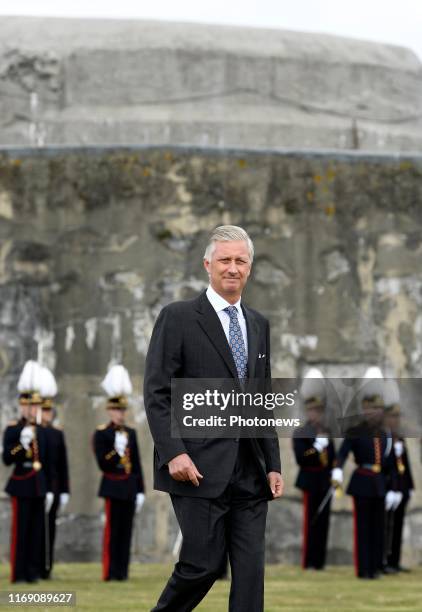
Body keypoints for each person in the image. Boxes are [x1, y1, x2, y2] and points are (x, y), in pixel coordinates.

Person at [144, 225, 283, 612]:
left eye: (241, 260)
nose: (232, 268)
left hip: (250, 471)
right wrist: (174, 452)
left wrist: (272, 463)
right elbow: (157, 392)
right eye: (225, 259)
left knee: (251, 573)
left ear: (250, 267)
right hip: (197, 467)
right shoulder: (178, 318)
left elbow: (261, 398)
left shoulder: (258, 324)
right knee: (202, 566)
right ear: (208, 264)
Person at [332, 368, 395, 579]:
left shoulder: (386, 434)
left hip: (380, 484)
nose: (372, 413)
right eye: (369, 409)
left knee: (379, 529)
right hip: (362, 481)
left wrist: (393, 487)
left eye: (376, 409)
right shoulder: (355, 430)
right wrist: (338, 471)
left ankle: (376, 567)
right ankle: (364, 569)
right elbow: (342, 454)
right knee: (363, 529)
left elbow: (390, 464)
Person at [93, 365, 145, 581]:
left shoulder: (131, 432)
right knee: (112, 533)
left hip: (129, 487)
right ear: (109, 410)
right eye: (117, 410)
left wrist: (140, 490)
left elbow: (137, 463)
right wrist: (117, 450)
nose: (120, 414)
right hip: (112, 487)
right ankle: (110, 572)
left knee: (126, 533)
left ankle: (122, 573)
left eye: (123, 410)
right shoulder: (102, 433)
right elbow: (103, 463)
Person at [2, 361, 53, 583]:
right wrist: (21, 445)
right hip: (21, 482)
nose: (32, 410)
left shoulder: (42, 431)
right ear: (22, 406)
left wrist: (51, 488)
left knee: (35, 531)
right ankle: (18, 573)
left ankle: (32, 572)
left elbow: (48, 461)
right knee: (20, 531)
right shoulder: (12, 429)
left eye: (36, 407)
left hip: (39, 484)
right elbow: (6, 459)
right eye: (29, 406)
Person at [293, 369, 336, 570]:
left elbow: (333, 458)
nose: (316, 414)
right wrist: (316, 448)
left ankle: (319, 561)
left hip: (325, 480)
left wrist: (335, 474)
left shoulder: (326, 431)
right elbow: (301, 458)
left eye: (319, 411)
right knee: (311, 521)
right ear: (308, 412)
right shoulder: (301, 432)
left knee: (324, 522)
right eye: (313, 411)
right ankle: (308, 561)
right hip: (310, 480)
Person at [39, 367, 70, 579]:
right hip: (38, 487)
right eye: (44, 410)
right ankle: (35, 565)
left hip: (55, 488)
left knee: (50, 529)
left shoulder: (56, 434)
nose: (47, 414)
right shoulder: (34, 432)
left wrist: (64, 491)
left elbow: (62, 465)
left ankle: (47, 568)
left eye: (50, 411)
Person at [383, 380, 415, 573]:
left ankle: (394, 560)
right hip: (387, 488)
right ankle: (384, 561)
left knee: (398, 525)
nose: (396, 420)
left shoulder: (399, 437)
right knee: (386, 526)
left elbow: (406, 464)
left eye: (398, 416)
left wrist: (409, 486)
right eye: (393, 416)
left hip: (401, 488)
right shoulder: (383, 437)